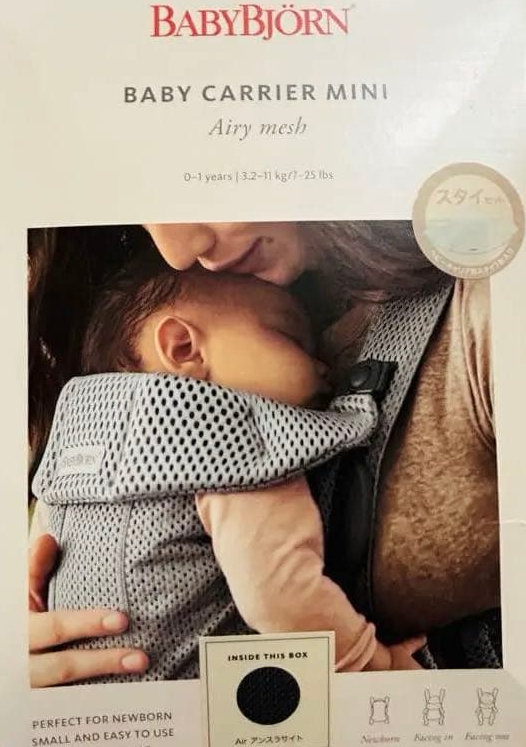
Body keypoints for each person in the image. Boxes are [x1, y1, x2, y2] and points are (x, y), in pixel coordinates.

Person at [28, 221, 499, 684]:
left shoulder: (86, 433)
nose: (176, 251)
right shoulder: (236, 447)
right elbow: (277, 592)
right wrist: (376, 667)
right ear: (182, 347)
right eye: (290, 338)